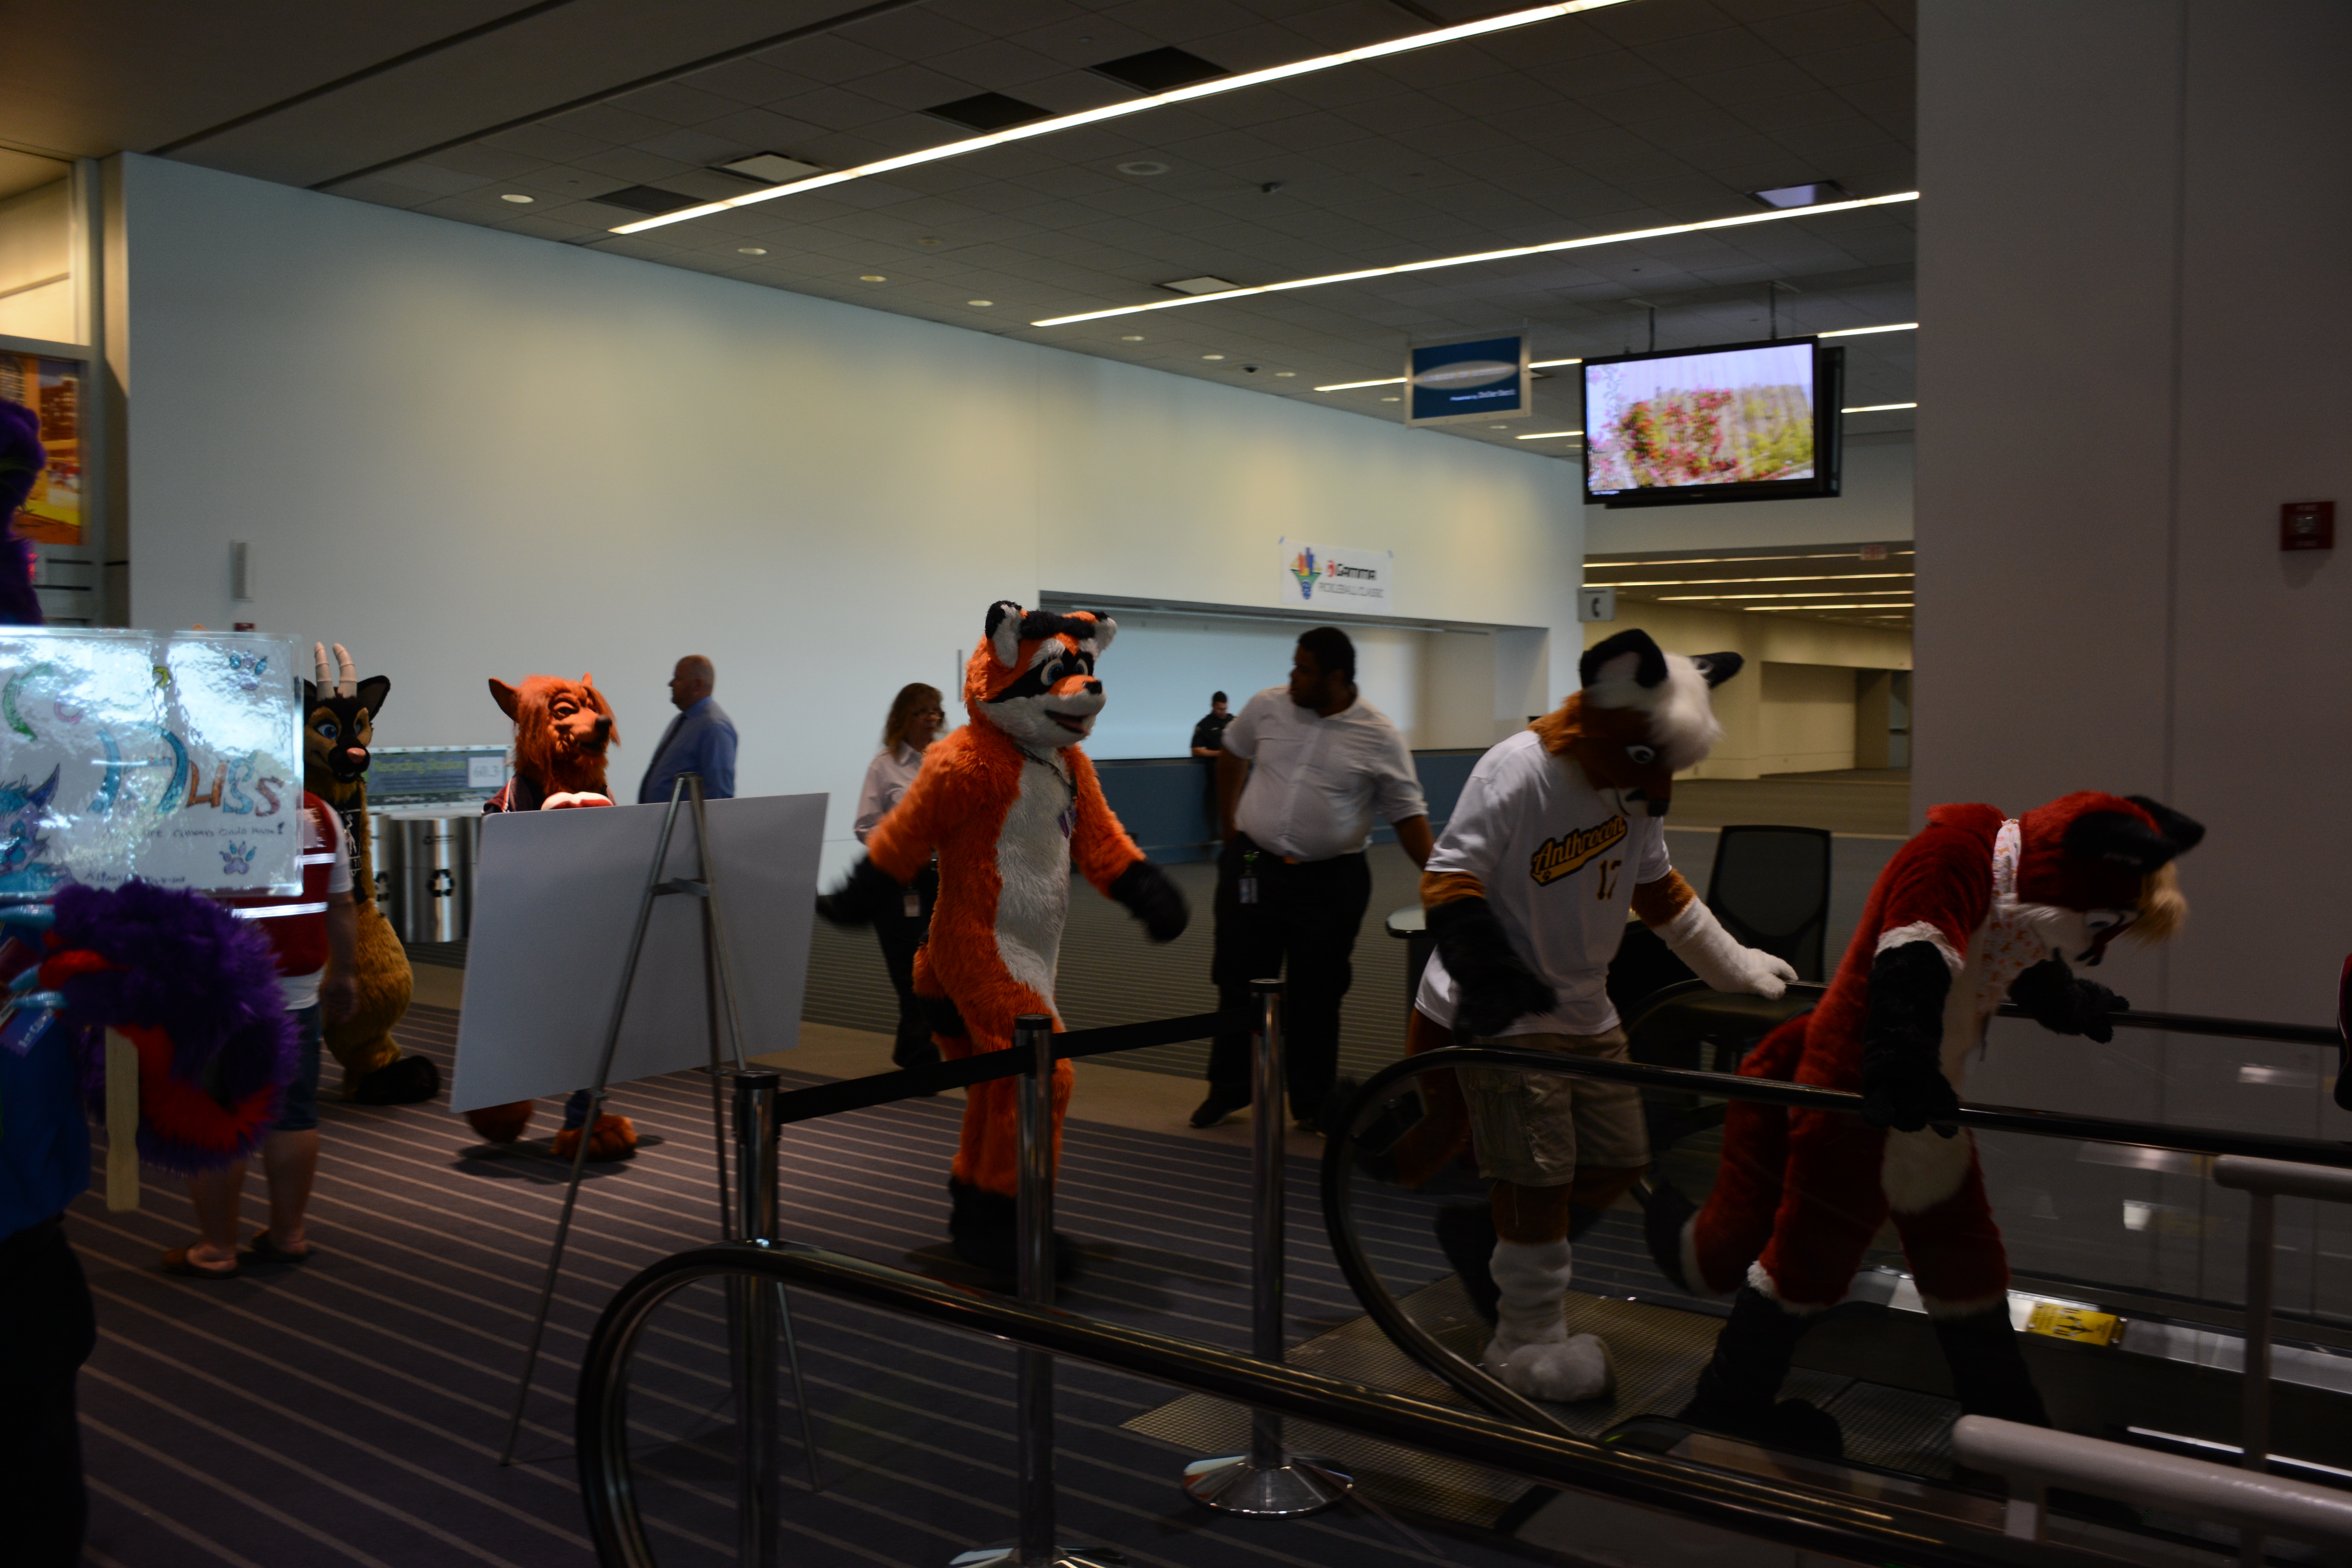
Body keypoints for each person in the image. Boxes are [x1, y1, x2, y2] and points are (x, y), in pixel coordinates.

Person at [1195, 627, 1432, 1131]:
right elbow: (1234, 752)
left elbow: (1408, 814)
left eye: (1304, 669)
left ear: (1336, 678)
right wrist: (1231, 830)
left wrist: (1442, 881)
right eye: (1294, 665)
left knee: (1317, 994)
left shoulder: (1379, 735)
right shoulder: (1267, 706)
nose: (1292, 677)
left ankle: (1312, 1103)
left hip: (1331, 882)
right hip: (1254, 867)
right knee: (1237, 981)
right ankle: (1228, 1089)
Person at [166, 789, 360, 1277]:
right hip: (296, 991)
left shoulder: (194, 805)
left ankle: (217, 1248)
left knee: (217, 1116)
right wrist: (345, 974)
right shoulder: (320, 813)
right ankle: (288, 1235)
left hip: (217, 993)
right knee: (293, 1114)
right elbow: (341, 904)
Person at [855, 682, 946, 1069]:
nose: (931, 719)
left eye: (935, 711)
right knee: (910, 976)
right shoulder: (884, 766)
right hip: (899, 884)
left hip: (944, 882)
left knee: (941, 974)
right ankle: (919, 1057)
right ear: (903, 719)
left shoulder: (949, 760)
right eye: (922, 712)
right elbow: (865, 827)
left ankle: (914, 1053)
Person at [637, 654, 738, 803]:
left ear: (697, 685)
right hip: (664, 818)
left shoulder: (714, 727)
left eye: (678, 679)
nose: (671, 684)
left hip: (684, 819)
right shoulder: (684, 721)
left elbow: (720, 795)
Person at [1189, 691, 1232, 757]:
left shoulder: (1233, 722)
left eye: (1225, 709)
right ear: (1213, 706)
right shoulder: (1204, 725)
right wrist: (1219, 754)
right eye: (1220, 709)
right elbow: (1195, 750)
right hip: (1214, 762)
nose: (1223, 712)